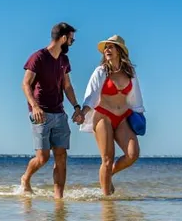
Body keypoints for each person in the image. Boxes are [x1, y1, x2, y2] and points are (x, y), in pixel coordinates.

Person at [20, 22, 84, 199]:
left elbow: (67, 86)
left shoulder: (64, 60)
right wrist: (34, 106)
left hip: (59, 113)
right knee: (43, 157)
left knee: (61, 156)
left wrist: (77, 107)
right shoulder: (38, 57)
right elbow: (25, 84)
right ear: (63, 38)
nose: (72, 42)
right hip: (40, 113)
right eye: (72, 39)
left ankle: (59, 199)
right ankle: (25, 178)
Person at [77, 35, 145, 195]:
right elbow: (91, 95)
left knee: (132, 154)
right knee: (107, 159)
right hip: (103, 116)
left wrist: (140, 115)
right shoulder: (101, 71)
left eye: (111, 47)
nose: (107, 50)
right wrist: (83, 112)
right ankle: (107, 203)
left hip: (122, 117)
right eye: (106, 47)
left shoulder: (130, 72)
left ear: (119, 51)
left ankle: (108, 175)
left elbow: (136, 96)